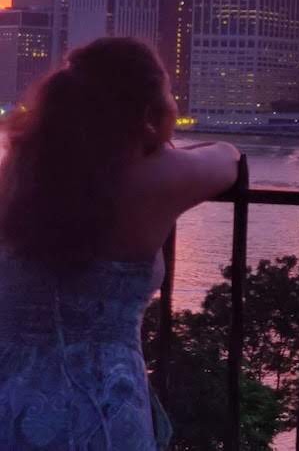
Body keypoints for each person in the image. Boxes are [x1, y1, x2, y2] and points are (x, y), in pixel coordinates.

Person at [0, 38, 240, 449]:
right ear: (147, 110)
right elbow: (226, 158)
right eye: (168, 91)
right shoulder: (153, 178)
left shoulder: (18, 176)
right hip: (98, 402)